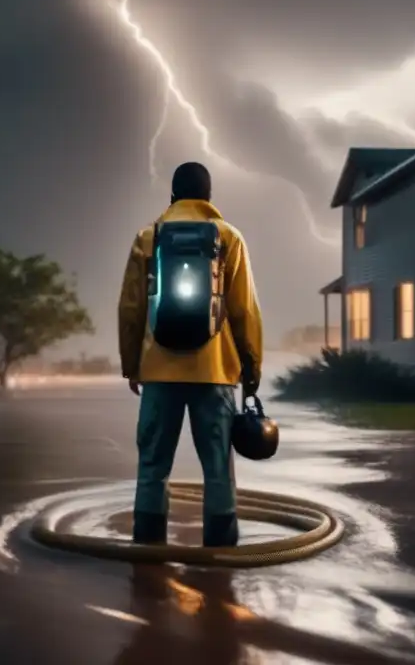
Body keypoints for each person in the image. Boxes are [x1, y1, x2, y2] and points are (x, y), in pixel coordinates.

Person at [117, 161, 263, 548]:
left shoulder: (148, 237)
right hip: (213, 373)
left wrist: (132, 366)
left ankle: (147, 552)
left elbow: (130, 308)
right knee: (217, 470)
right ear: (209, 197)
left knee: (152, 467)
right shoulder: (229, 237)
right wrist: (251, 369)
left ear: (173, 195)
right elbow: (243, 310)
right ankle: (221, 552)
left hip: (158, 372)